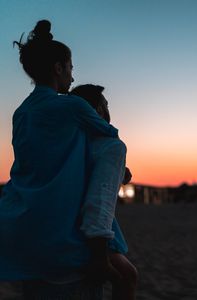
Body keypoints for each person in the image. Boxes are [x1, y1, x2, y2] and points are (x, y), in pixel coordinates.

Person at [0, 20, 127, 299]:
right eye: (70, 68)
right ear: (58, 68)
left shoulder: (21, 112)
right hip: (60, 227)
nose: (72, 76)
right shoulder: (72, 106)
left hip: (21, 223)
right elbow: (110, 135)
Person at [70, 84, 137, 299]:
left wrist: (119, 173)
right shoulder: (109, 144)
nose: (108, 110)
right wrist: (99, 255)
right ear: (98, 109)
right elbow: (100, 197)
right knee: (128, 275)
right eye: (105, 105)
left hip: (65, 213)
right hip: (89, 224)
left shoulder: (73, 140)